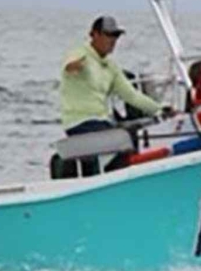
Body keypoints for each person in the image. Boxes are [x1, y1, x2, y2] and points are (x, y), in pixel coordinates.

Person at [58, 15, 171, 176]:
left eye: (116, 35)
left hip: (101, 122)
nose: (113, 40)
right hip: (79, 123)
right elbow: (70, 64)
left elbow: (132, 96)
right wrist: (74, 66)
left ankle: (117, 177)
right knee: (122, 139)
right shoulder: (80, 53)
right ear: (94, 35)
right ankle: (116, 178)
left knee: (133, 133)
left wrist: (160, 109)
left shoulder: (110, 67)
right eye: (108, 35)